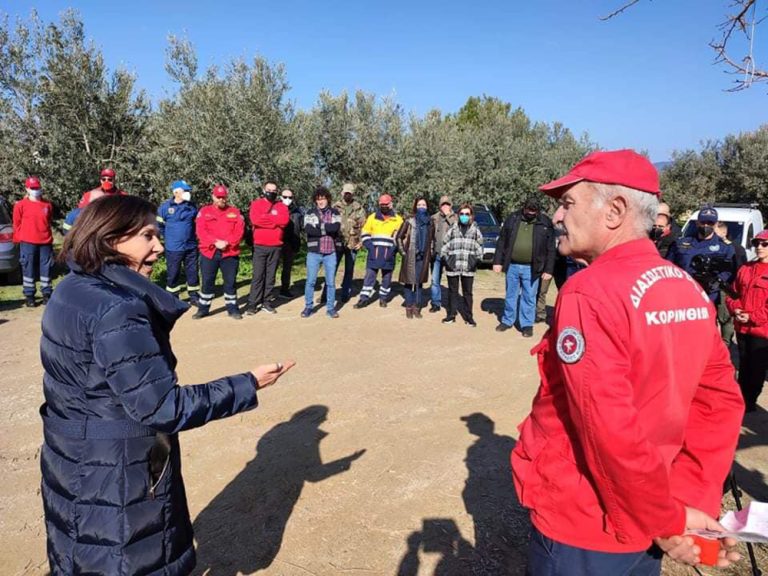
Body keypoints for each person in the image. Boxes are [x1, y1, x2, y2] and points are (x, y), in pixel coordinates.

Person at [512, 149, 743, 575]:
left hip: (586, 520)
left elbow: (607, 426)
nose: (557, 217)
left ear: (615, 210)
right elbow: (719, 404)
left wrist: (666, 518)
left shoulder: (589, 291)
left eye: (567, 203)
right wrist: (684, 504)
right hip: (655, 510)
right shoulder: (686, 287)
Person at [39, 194, 294, 576]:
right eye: (147, 236)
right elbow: (162, 406)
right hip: (116, 474)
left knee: (81, 554)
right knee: (126, 559)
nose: (159, 246)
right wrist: (247, 384)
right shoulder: (118, 309)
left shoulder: (71, 287)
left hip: (73, 460)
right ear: (112, 239)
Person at [493, 197, 555, 336]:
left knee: (529, 297)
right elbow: (502, 240)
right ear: (524, 207)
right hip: (513, 266)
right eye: (529, 210)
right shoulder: (513, 218)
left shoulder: (545, 222)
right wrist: (498, 261)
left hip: (532, 268)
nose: (531, 213)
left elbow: (551, 248)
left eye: (534, 211)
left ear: (537, 210)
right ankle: (508, 320)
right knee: (510, 295)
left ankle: (526, 324)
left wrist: (548, 269)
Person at [727, 229, 768, 413]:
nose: (759, 247)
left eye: (764, 244)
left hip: (761, 330)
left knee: (757, 367)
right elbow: (732, 293)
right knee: (743, 364)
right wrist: (735, 308)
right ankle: (742, 398)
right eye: (756, 243)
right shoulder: (745, 268)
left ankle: (750, 400)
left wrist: (752, 316)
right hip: (742, 327)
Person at [194, 185, 245, 320]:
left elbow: (239, 232)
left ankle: (232, 308)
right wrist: (215, 242)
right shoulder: (204, 212)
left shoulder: (235, 212)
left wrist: (227, 242)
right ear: (213, 196)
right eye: (218, 197)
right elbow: (201, 231)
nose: (221, 200)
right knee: (207, 281)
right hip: (209, 252)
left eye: (223, 197)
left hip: (229, 252)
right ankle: (203, 308)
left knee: (230, 282)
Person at [353, 194, 403, 309]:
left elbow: (400, 237)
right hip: (373, 254)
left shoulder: (398, 219)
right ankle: (363, 299)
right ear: (379, 204)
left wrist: (393, 249)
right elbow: (365, 234)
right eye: (382, 204)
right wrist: (370, 247)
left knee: (387, 278)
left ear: (391, 204)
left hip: (389, 255)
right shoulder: (372, 217)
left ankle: (383, 298)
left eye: (386, 204)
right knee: (369, 277)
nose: (384, 206)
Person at [246, 181, 289, 315]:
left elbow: (284, 221)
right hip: (260, 246)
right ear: (264, 190)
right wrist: (274, 221)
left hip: (276, 246)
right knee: (258, 275)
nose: (271, 192)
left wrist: (267, 219)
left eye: (274, 190)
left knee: (270, 276)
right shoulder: (256, 204)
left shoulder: (281, 206)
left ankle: (266, 302)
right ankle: (253, 303)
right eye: (269, 190)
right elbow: (255, 220)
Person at [301, 186, 342, 318]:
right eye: (318, 199)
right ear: (315, 200)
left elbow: (335, 228)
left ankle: (330, 308)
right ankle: (308, 307)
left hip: (330, 252)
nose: (321, 201)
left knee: (330, 282)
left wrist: (319, 226)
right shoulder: (310, 212)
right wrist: (326, 229)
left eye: (323, 199)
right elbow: (309, 230)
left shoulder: (335, 212)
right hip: (314, 252)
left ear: (328, 199)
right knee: (311, 281)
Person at [157, 180, 200, 306]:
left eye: (188, 190)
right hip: (173, 247)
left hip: (190, 246)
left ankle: (193, 296)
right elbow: (159, 225)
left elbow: (197, 223)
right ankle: (172, 296)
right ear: (176, 192)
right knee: (173, 272)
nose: (188, 193)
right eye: (185, 190)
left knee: (192, 271)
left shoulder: (192, 206)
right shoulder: (165, 208)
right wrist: (167, 237)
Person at [13, 176, 54, 306]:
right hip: (27, 242)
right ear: (27, 189)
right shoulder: (20, 205)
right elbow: (16, 223)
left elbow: (49, 221)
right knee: (28, 268)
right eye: (33, 188)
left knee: (46, 268)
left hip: (45, 241)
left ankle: (47, 293)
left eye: (37, 188)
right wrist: (19, 239)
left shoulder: (47, 205)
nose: (36, 190)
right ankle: (29, 295)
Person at [440, 204, 483, 327]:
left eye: (467, 214)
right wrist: (447, 259)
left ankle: (469, 317)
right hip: (453, 266)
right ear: (458, 215)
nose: (464, 216)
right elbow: (445, 243)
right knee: (452, 291)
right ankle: (451, 315)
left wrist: (475, 261)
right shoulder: (453, 228)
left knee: (467, 293)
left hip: (468, 267)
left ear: (471, 216)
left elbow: (480, 246)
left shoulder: (475, 230)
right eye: (462, 214)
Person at [397, 197, 435, 318]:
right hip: (410, 255)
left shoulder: (430, 222)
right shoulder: (409, 221)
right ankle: (409, 307)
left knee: (419, 283)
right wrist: (403, 252)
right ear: (415, 206)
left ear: (427, 206)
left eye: (424, 205)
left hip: (424, 257)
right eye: (419, 205)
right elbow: (398, 237)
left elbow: (432, 240)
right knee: (409, 282)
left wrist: (431, 253)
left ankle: (417, 307)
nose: (421, 207)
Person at [333, 183, 367, 303]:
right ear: (342, 193)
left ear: (353, 194)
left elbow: (364, 227)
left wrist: (362, 242)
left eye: (350, 193)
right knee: (332, 269)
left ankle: (345, 293)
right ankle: (326, 295)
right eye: (346, 192)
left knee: (349, 270)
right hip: (337, 243)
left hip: (353, 243)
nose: (347, 195)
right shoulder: (335, 207)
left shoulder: (359, 208)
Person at [429, 195, 457, 313]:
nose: (445, 206)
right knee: (435, 280)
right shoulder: (434, 218)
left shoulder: (456, 217)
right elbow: (430, 235)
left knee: (452, 281)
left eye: (447, 204)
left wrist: (448, 216)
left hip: (450, 255)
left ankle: (452, 305)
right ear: (440, 205)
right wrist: (431, 250)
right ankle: (436, 303)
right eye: (443, 204)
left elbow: (457, 229)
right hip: (436, 254)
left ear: (450, 205)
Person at [277, 188, 302, 298]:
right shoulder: (275, 208)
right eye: (285, 197)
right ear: (280, 197)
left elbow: (300, 227)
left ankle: (284, 289)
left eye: (290, 197)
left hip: (290, 243)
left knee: (287, 268)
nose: (287, 199)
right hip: (276, 242)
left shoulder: (297, 212)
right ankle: (266, 291)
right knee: (272, 268)